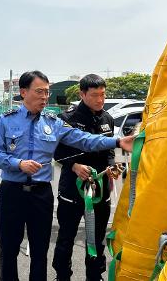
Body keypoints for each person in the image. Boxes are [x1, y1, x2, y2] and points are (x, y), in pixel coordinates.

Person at [0, 71, 134, 281]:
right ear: (23, 92)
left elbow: (84, 139)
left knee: (40, 251)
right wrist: (18, 164)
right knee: (9, 250)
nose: (44, 97)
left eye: (47, 92)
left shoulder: (54, 123)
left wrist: (117, 142)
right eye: (39, 91)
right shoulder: (6, 120)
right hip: (12, 193)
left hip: (41, 195)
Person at [52, 74, 118, 281]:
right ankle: (62, 275)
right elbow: (55, 151)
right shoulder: (66, 119)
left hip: (99, 190)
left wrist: (110, 168)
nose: (100, 100)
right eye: (95, 95)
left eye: (103, 94)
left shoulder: (107, 118)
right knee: (66, 238)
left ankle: (95, 276)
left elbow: (109, 151)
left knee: (97, 239)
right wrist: (73, 166)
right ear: (82, 94)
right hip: (73, 190)